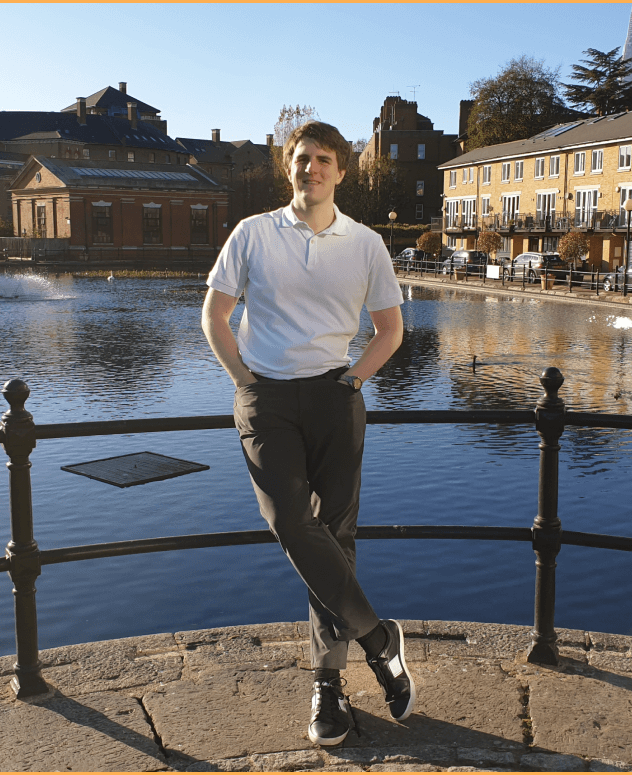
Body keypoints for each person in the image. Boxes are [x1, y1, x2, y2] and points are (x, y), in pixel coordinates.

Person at [201, 120, 414, 747]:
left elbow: (390, 330)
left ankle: (328, 682)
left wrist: (351, 383)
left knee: (335, 538)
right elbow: (215, 315)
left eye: (325, 160)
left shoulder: (366, 243)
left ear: (341, 172)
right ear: (286, 167)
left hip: (333, 395)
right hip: (266, 397)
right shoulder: (253, 234)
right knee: (293, 524)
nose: (312, 168)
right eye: (303, 158)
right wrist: (245, 381)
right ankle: (379, 640)